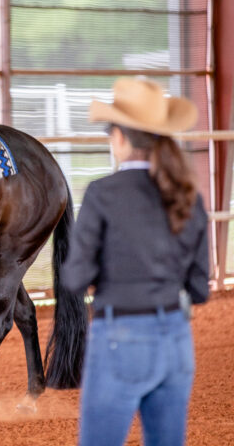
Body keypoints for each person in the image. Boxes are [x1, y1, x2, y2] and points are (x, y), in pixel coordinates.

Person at [61, 78, 210, 446]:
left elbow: (75, 278)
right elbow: (200, 288)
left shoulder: (102, 193)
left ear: (121, 138)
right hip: (175, 336)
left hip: (120, 335)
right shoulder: (189, 197)